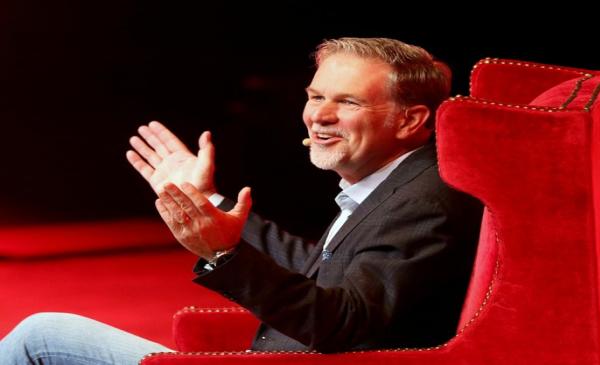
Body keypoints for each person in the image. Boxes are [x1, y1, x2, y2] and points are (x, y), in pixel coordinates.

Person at [0, 37, 482, 364]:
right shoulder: (399, 186)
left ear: (409, 120)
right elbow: (312, 269)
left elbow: (342, 324)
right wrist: (207, 198)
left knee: (41, 337)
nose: (319, 115)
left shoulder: (427, 203)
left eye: (348, 102)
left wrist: (223, 253)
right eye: (315, 96)